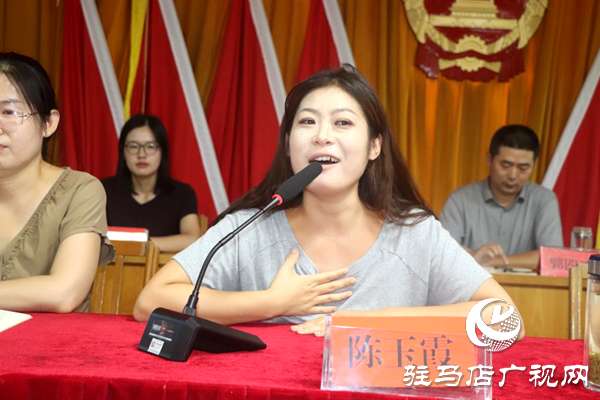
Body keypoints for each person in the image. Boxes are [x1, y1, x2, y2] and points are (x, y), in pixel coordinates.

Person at [134, 65, 524, 339]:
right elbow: (150, 302)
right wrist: (271, 302)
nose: (322, 136)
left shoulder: (414, 233)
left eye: (342, 122)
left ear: (374, 146)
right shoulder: (251, 227)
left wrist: (367, 322)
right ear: (289, 144)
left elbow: (506, 318)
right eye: (307, 122)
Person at [0, 52, 114, 313]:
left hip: (51, 340)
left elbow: (64, 292)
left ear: (48, 123)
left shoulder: (80, 191)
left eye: (9, 111)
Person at [440, 125, 563, 269]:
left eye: (523, 168)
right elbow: (443, 253)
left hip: (526, 284)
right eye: (505, 165)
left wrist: (493, 261)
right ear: (489, 159)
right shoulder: (460, 200)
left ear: (533, 165)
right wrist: (474, 256)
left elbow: (553, 257)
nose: (512, 175)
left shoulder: (544, 200)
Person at [102, 114, 200, 253]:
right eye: (134, 146)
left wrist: (139, 245)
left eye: (150, 146)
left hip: (165, 267)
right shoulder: (103, 190)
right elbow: (92, 239)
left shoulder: (183, 194)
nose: (142, 154)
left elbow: (192, 239)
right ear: (122, 151)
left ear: (162, 151)